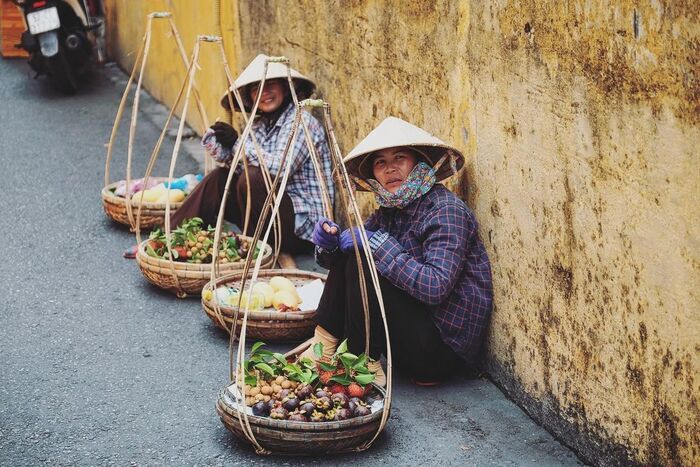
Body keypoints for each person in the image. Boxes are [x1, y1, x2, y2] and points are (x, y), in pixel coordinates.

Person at [295, 116, 493, 386]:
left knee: (366, 253)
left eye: (399, 158)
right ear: (374, 174)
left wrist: (374, 245)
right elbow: (350, 267)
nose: (390, 169)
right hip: (404, 343)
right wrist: (330, 245)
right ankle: (324, 346)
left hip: (440, 350)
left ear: (418, 164)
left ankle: (362, 361)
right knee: (355, 253)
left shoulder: (446, 211)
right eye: (381, 162)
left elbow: (435, 286)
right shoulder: (389, 211)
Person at [124, 54, 334, 258]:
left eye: (272, 85)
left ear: (286, 89)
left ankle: (254, 252)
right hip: (267, 218)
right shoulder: (260, 126)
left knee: (252, 177)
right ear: (250, 98)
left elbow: (277, 168)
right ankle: (165, 238)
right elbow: (239, 164)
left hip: (300, 230)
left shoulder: (302, 122)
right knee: (220, 177)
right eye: (256, 89)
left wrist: (237, 143)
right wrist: (221, 145)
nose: (264, 93)